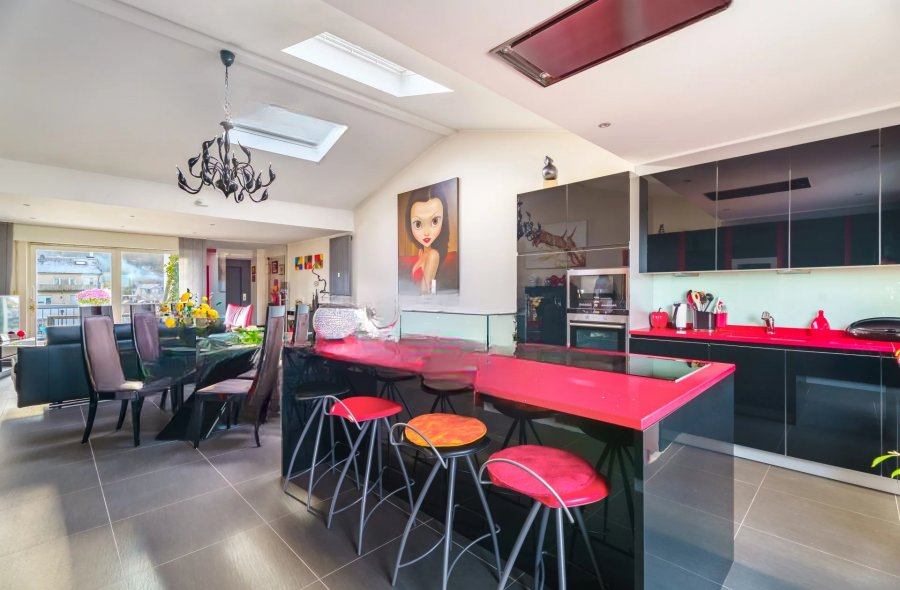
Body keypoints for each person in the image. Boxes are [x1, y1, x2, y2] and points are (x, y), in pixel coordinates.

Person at [406, 188, 449, 294]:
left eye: (434, 221)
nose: (426, 233)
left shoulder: (433, 255)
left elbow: (426, 293)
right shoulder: (421, 252)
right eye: (418, 224)